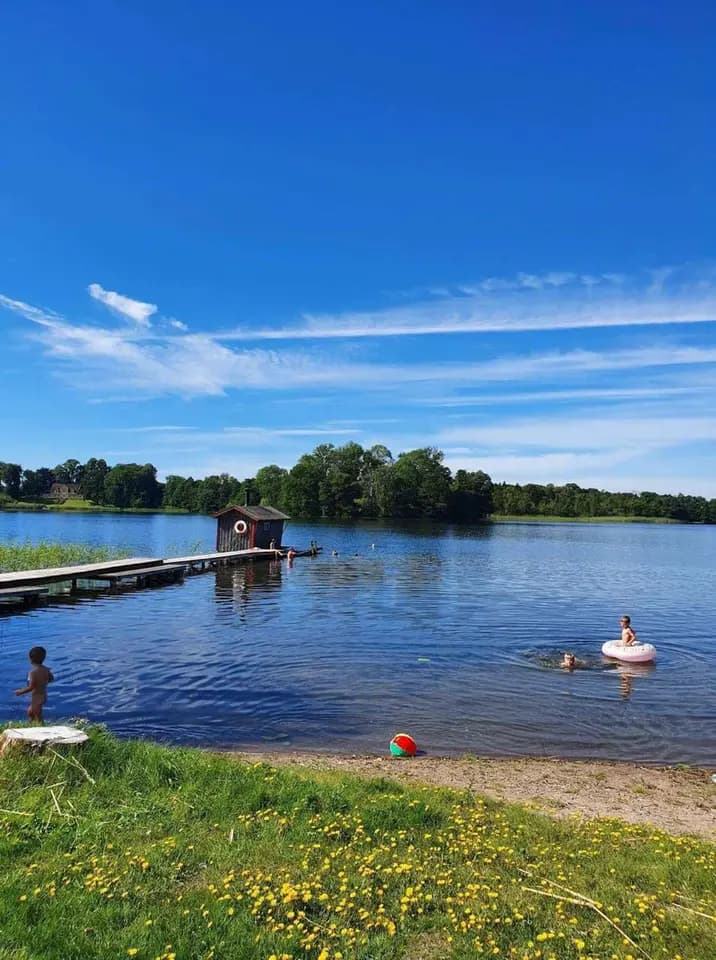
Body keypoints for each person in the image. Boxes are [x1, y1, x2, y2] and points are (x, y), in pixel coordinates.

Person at [14, 646, 54, 722]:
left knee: (38, 716)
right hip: (43, 694)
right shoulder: (46, 669)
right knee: (30, 712)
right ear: (44, 658)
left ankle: (40, 726)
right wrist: (42, 682)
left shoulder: (32, 672)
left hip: (36, 697)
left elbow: (31, 687)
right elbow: (51, 678)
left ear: (30, 659)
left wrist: (20, 692)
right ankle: (31, 723)